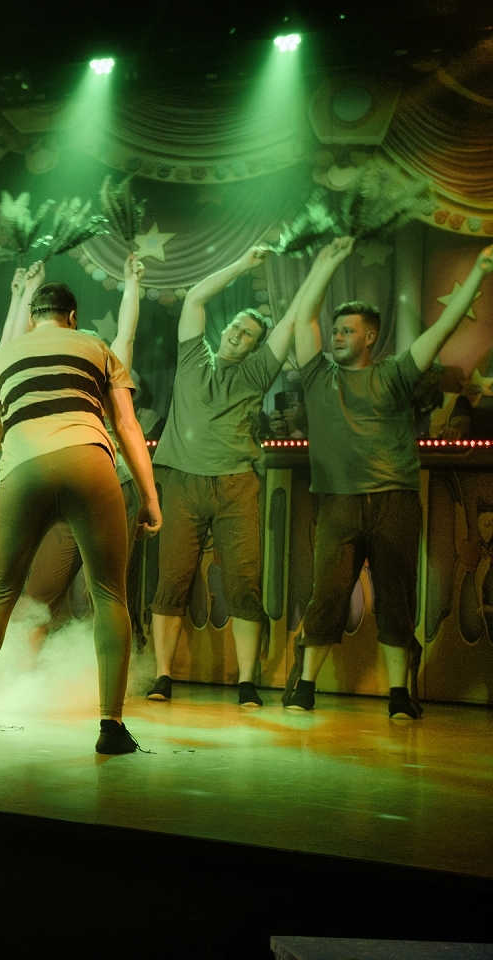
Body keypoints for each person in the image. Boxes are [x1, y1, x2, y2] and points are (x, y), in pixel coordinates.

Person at [0, 281, 160, 753]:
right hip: (88, 461)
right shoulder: (96, 347)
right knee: (109, 596)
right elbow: (126, 424)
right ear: (72, 316)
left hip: (24, 470)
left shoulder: (3, 355)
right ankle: (111, 727)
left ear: (32, 317)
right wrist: (149, 497)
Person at [286, 241, 493, 718]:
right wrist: (327, 263)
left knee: (396, 595)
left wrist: (479, 272)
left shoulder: (396, 374)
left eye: (347, 330)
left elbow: (442, 329)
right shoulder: (319, 377)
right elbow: (303, 321)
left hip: (393, 499)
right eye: (335, 330)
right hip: (337, 501)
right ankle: (305, 687)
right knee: (327, 595)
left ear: (370, 337)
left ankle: (399, 694)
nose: (337, 336)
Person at [146, 243, 297, 707]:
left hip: (235, 486)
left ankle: (246, 682)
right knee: (172, 580)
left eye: (248, 333)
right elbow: (195, 298)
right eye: (235, 326)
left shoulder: (255, 375)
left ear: (254, 346)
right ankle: (163, 676)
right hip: (182, 482)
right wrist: (244, 264)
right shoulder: (194, 356)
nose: (238, 334)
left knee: (244, 583)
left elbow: (290, 326)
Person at [19, 255, 146, 638]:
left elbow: (125, 336)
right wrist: (28, 292)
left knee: (106, 595)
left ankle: (104, 670)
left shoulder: (101, 361)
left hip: (107, 486)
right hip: (59, 489)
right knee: (39, 595)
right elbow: (17, 345)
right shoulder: (38, 368)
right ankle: (22, 667)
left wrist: (132, 285)